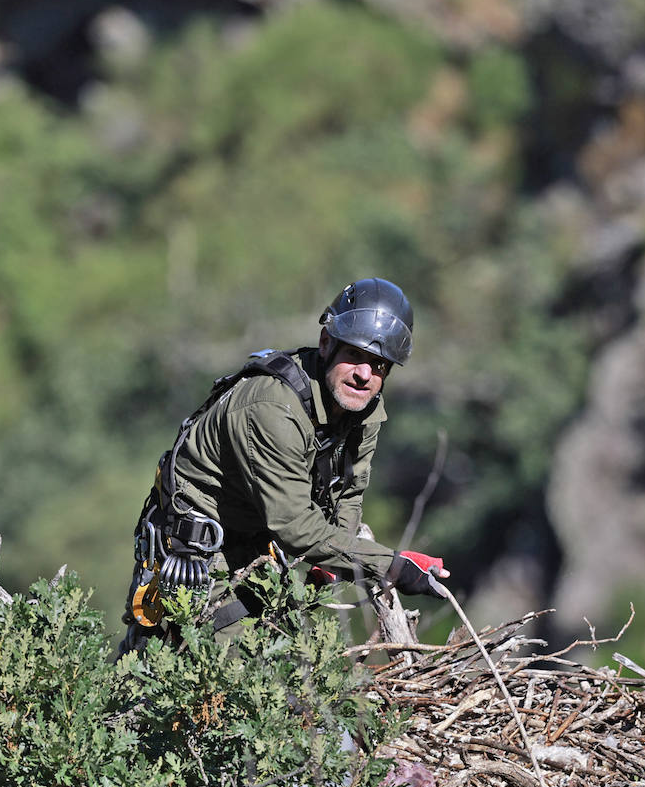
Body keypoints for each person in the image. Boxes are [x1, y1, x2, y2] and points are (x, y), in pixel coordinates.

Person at [119, 277, 449, 655]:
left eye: (378, 365)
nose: (364, 374)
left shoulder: (365, 409)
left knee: (285, 678)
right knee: (176, 680)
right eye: (354, 356)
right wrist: (393, 567)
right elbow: (295, 527)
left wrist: (338, 559)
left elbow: (348, 495)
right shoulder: (272, 408)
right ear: (326, 344)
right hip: (198, 553)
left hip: (260, 547)